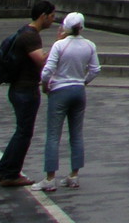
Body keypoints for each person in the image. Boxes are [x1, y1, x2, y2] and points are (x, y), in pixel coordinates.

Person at [0, 0, 56, 188]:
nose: (53, 20)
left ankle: (2, 170)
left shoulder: (24, 31)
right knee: (24, 133)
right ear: (43, 16)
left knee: (20, 132)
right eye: (51, 16)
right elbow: (41, 60)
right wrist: (59, 45)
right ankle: (11, 174)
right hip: (25, 89)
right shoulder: (31, 36)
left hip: (18, 88)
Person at [32, 11, 101, 192]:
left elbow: (47, 71)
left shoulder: (60, 45)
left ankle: (50, 177)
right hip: (78, 90)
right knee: (76, 133)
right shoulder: (89, 45)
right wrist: (83, 82)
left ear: (65, 27)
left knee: (54, 134)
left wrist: (45, 85)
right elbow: (95, 69)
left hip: (60, 89)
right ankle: (73, 175)